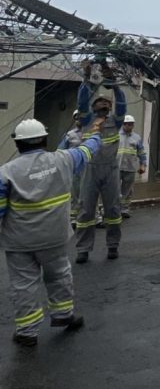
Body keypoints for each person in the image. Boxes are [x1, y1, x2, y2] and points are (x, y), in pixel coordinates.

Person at [0, 117, 102, 346]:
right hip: (54, 238)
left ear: (18, 144)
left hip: (19, 243)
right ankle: (63, 316)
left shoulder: (5, 173)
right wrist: (95, 131)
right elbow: (88, 150)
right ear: (44, 139)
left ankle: (27, 332)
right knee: (59, 276)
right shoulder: (64, 160)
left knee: (23, 285)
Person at [75, 60, 126, 263]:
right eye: (100, 103)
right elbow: (81, 101)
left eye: (107, 103)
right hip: (90, 169)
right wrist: (87, 79)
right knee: (86, 210)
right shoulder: (87, 121)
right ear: (94, 108)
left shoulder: (117, 121)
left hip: (111, 169)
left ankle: (113, 245)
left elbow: (122, 102)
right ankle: (83, 249)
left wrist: (113, 83)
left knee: (113, 209)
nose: (104, 104)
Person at [117, 115, 147, 218]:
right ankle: (113, 209)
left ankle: (124, 209)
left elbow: (141, 152)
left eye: (131, 124)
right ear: (123, 124)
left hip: (130, 168)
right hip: (117, 167)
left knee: (127, 190)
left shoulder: (136, 137)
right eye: (127, 124)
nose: (129, 126)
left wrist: (143, 165)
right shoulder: (116, 135)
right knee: (114, 190)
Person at [59, 110, 84, 222]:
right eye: (77, 117)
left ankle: (94, 216)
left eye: (81, 117)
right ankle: (73, 217)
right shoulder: (70, 135)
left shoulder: (92, 133)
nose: (79, 120)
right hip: (74, 169)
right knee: (74, 194)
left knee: (91, 194)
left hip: (90, 168)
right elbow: (60, 151)